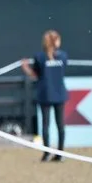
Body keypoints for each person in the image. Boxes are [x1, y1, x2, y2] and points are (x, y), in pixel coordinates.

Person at [22, 30, 68, 162]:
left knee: (46, 124)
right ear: (55, 41)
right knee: (60, 125)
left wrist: (25, 67)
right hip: (59, 94)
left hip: (46, 94)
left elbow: (35, 75)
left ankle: (47, 153)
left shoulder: (39, 57)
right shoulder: (63, 56)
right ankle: (60, 153)